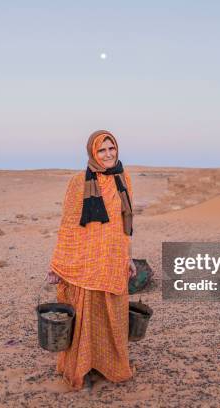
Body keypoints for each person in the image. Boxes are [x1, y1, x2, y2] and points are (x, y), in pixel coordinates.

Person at [46, 129, 137, 390]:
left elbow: (126, 224)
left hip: (113, 258)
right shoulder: (78, 182)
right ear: (92, 153)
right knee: (85, 317)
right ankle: (82, 368)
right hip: (86, 261)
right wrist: (58, 262)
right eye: (102, 150)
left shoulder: (124, 179)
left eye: (111, 149)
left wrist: (128, 257)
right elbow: (69, 225)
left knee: (114, 318)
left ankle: (111, 366)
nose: (108, 154)